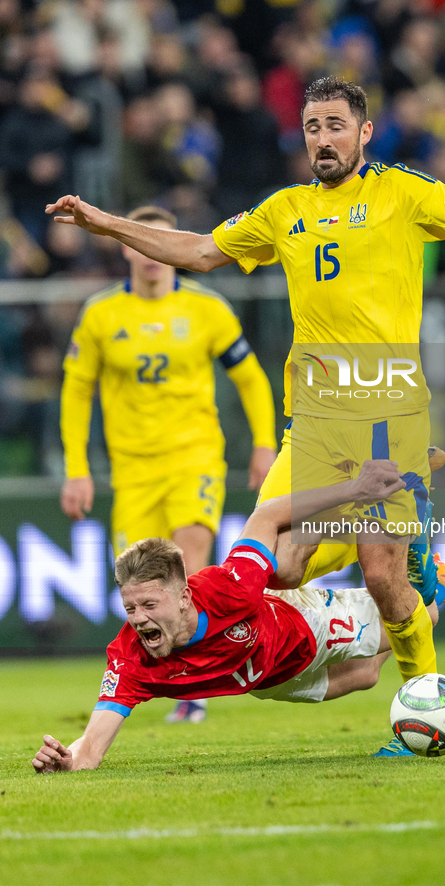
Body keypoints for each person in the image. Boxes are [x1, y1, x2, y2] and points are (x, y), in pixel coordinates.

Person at [46, 76, 445, 757]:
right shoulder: (283, 210)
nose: (322, 138)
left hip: (388, 413)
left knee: (380, 579)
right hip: (313, 422)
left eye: (335, 125)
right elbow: (200, 250)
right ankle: (409, 539)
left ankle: (423, 705)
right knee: (279, 570)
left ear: (364, 131)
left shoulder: (405, 191)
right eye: (312, 127)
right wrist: (104, 222)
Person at [32, 460, 410, 773]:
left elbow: (267, 515)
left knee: (414, 614)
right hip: (267, 680)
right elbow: (92, 748)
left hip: (302, 628)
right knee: (366, 675)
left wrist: (353, 491)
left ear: (183, 598)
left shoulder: (226, 588)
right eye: (130, 607)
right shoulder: (131, 659)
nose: (139, 619)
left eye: (149, 605)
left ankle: (417, 558)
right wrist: (69, 759)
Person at [60, 204, 277, 724]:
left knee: (190, 553)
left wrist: (265, 444)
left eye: (159, 243)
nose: (150, 256)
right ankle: (163, 675)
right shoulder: (100, 315)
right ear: (125, 247)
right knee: (139, 581)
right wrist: (77, 467)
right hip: (132, 469)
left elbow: (249, 377)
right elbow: (75, 389)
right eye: (139, 243)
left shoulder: (208, 310)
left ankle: (196, 685)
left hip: (195, 456)